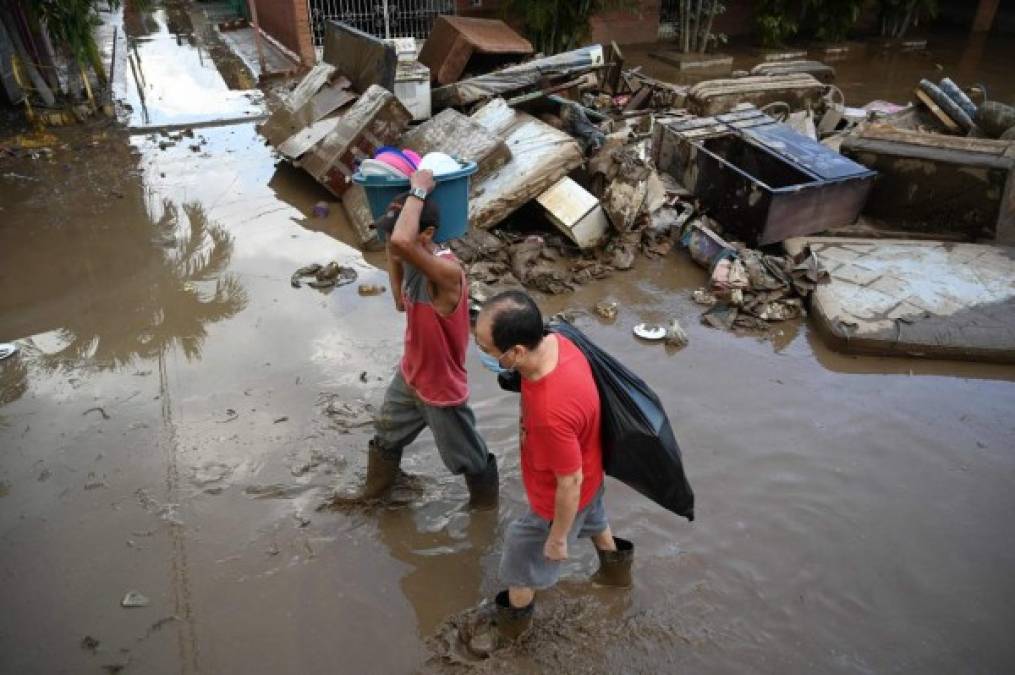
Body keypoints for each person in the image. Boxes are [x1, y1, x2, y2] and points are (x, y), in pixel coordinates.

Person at [469, 290, 634, 649]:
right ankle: (616, 575)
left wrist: (558, 537)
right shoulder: (559, 340)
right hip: (592, 471)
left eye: (485, 347)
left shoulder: (549, 411)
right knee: (593, 518)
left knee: (518, 556)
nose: (481, 352)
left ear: (517, 352)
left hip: (561, 494)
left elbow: (568, 482)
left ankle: (511, 631)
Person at [335, 169, 498, 509]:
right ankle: (375, 495)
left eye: (398, 234)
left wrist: (419, 190)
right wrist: (395, 249)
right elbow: (398, 288)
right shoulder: (412, 262)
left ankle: (485, 513)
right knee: (385, 435)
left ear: (428, 234)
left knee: (469, 459)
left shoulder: (448, 273)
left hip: (440, 388)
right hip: (411, 375)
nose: (392, 242)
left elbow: (400, 243)